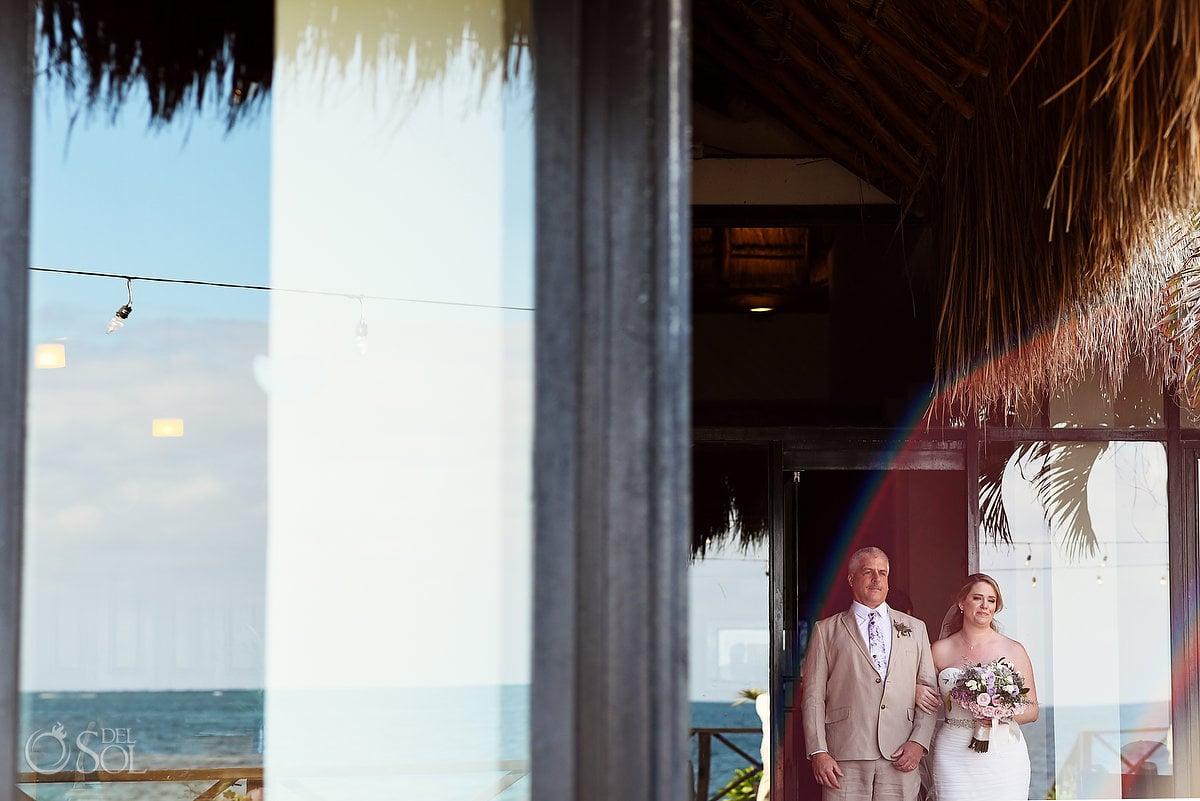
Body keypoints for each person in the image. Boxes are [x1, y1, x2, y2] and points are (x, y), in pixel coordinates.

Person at [801, 546, 938, 801]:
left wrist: (919, 743)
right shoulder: (826, 630)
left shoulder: (915, 628)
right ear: (852, 579)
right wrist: (819, 751)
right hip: (844, 754)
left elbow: (929, 693)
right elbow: (813, 696)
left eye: (882, 573)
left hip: (901, 751)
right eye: (868, 572)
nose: (877, 579)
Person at [927, 573, 1038, 801]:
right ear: (962, 602)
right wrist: (918, 691)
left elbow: (1032, 709)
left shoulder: (1014, 650)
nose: (985, 606)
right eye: (977, 598)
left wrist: (998, 711)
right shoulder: (938, 650)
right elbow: (922, 697)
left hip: (1003, 753)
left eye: (991, 600)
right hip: (954, 752)